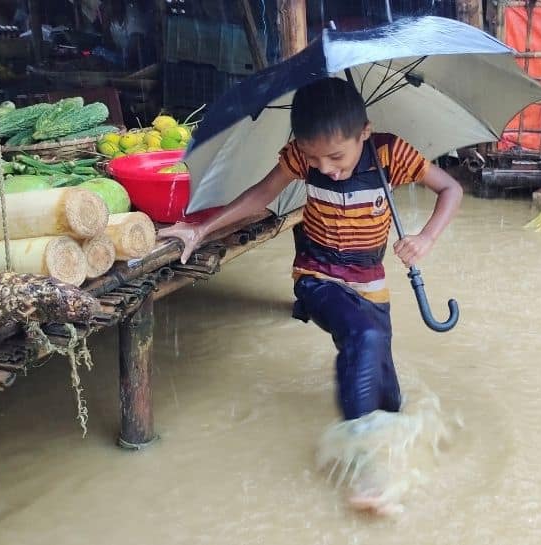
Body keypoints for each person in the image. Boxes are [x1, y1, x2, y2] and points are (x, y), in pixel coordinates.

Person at [158, 77, 463, 512]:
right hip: (317, 275)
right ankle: (363, 467)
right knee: (365, 337)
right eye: (315, 158)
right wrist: (200, 229)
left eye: (337, 156)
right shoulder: (301, 158)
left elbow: (451, 188)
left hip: (370, 280)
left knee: (389, 396)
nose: (326, 169)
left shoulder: (391, 153)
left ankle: (396, 450)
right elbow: (263, 194)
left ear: (364, 131)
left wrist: (427, 237)